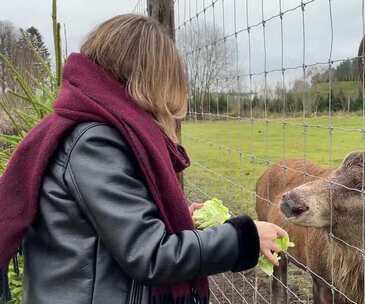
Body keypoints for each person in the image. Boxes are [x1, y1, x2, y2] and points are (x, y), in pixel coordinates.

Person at [0, 14, 287, 304]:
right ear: (151, 80)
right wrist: (243, 239)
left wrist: (178, 220)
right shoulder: (96, 142)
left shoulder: (96, 129)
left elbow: (112, 229)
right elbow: (149, 254)